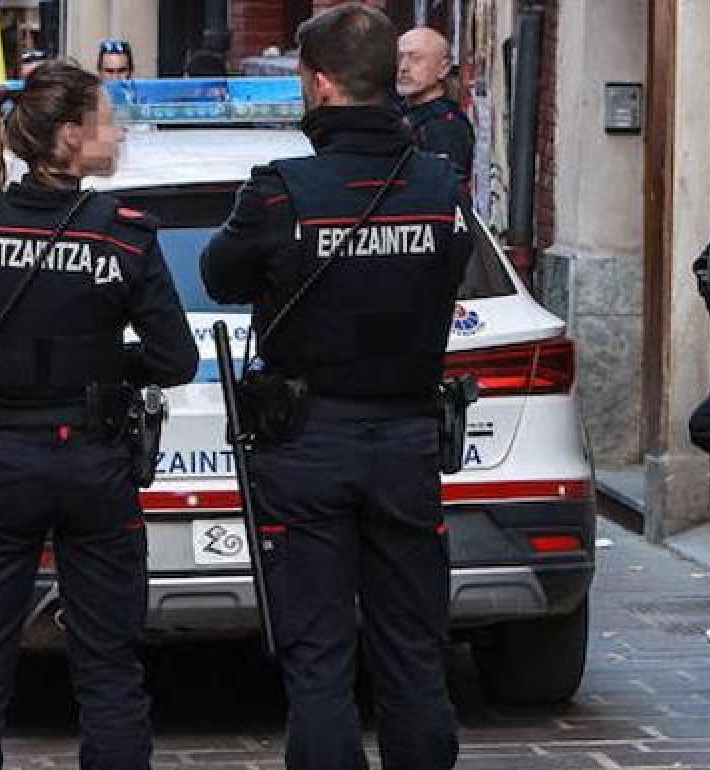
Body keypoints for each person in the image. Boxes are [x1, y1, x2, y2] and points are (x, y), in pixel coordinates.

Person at [200, 4, 473, 769]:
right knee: (414, 650)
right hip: (408, 441)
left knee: (318, 657)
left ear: (319, 84)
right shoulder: (439, 183)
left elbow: (220, 276)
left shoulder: (283, 190)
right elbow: (448, 274)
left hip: (308, 441)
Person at [0, 60, 198, 770]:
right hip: (95, 463)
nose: (118, 131)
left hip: (0, 457)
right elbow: (175, 361)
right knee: (108, 663)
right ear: (70, 136)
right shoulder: (124, 237)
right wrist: (104, 371)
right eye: (105, 118)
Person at [397, 27, 474, 185]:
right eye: (399, 58)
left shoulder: (445, 125)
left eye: (416, 58)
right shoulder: (398, 112)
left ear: (443, 68)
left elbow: (448, 187)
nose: (403, 67)